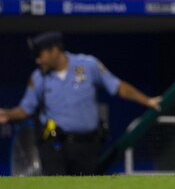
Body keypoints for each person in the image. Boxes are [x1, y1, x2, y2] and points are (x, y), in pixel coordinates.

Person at [0, 32, 161, 175]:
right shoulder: (38, 77)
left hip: (86, 146)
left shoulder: (87, 65)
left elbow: (118, 87)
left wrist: (147, 100)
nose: (37, 60)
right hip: (53, 144)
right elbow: (25, 109)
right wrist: (8, 115)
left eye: (40, 55)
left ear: (54, 50)